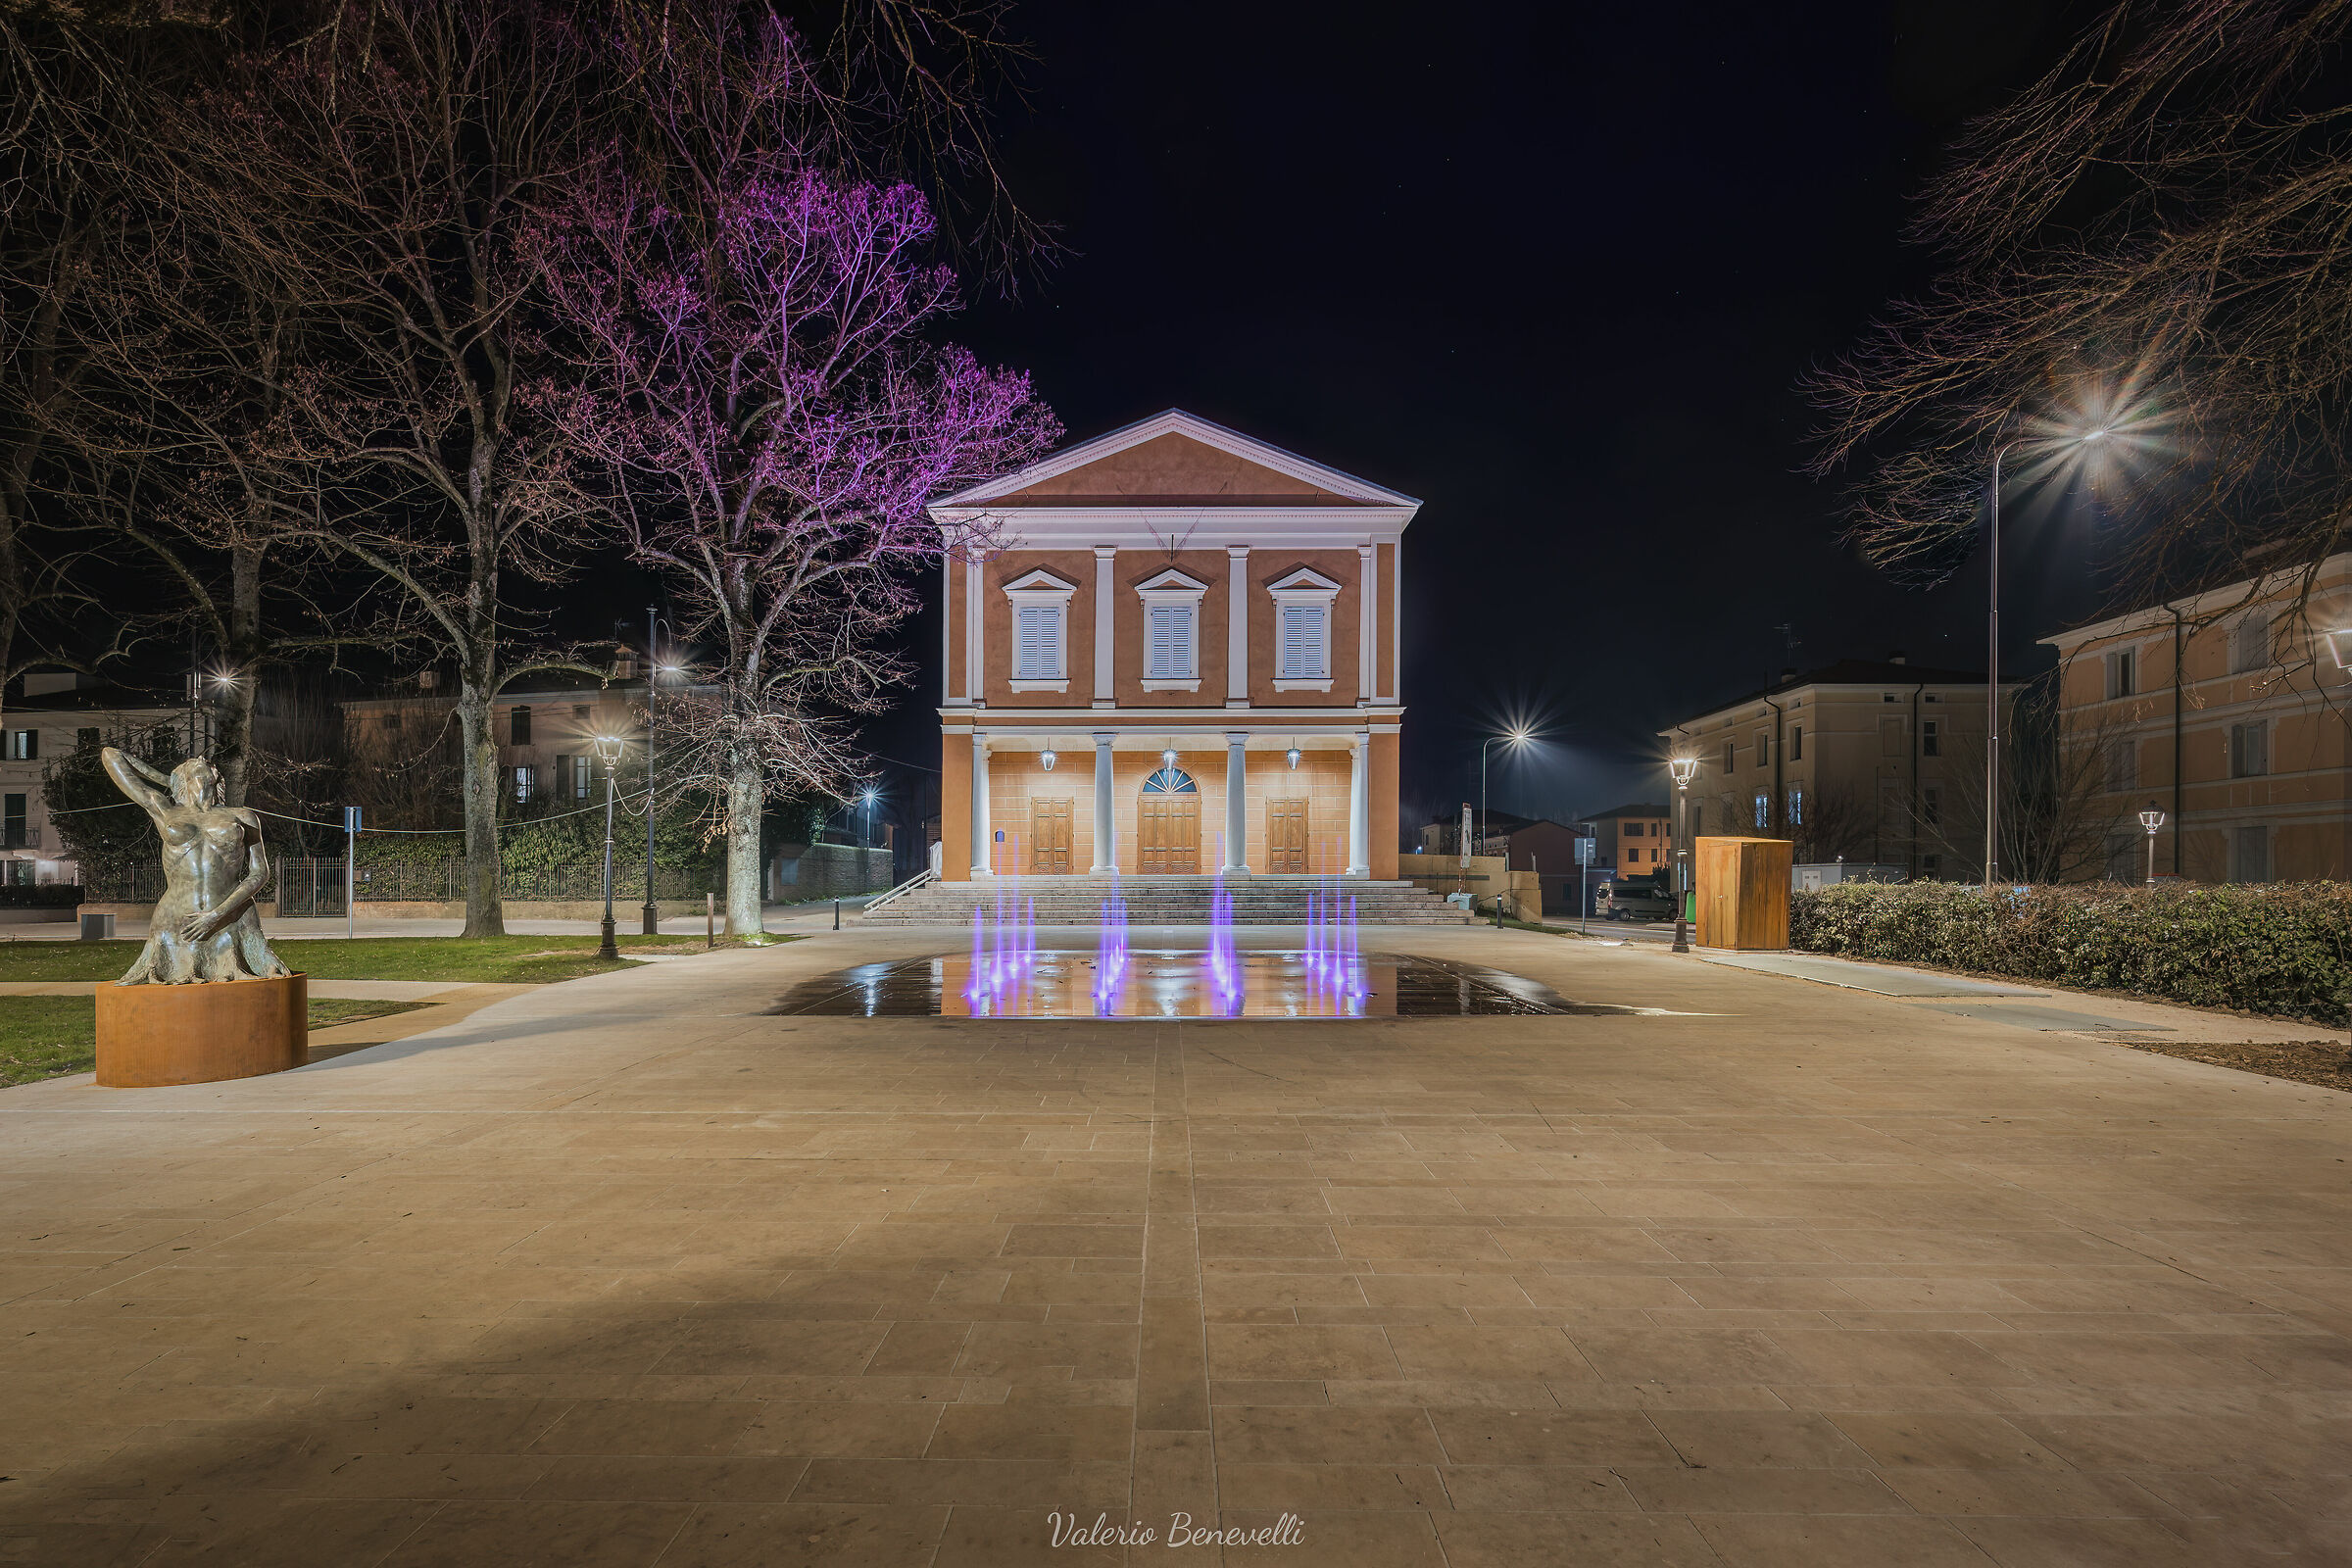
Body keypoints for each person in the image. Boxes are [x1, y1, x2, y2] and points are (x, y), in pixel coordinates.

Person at [100, 748, 289, 984]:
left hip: (231, 916)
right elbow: (111, 755)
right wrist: (170, 779)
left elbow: (260, 873)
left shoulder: (242, 816)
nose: (200, 760)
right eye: (192, 764)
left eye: (206, 764)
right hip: (177, 919)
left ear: (215, 777)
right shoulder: (164, 809)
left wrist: (216, 914)